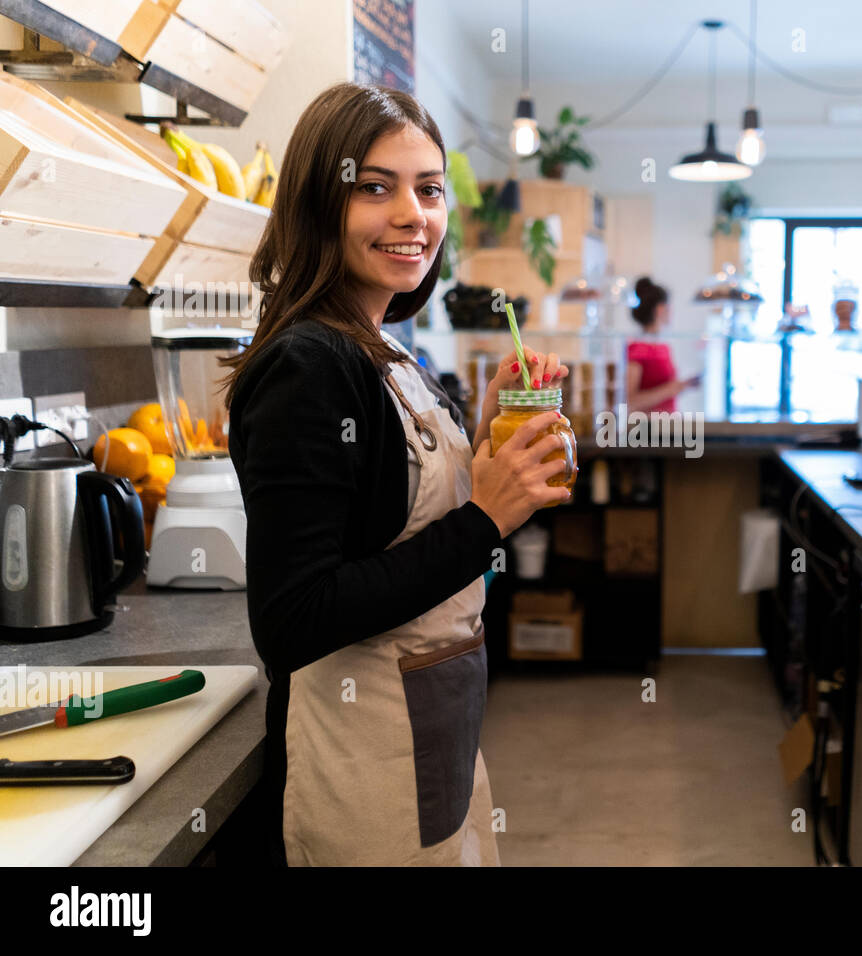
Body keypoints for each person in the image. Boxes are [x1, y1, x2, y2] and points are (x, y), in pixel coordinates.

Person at [222, 83, 571, 866]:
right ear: (320, 203)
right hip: (361, 759)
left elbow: (395, 519)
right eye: (375, 188)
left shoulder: (384, 351)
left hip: (434, 731)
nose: (414, 214)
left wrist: (486, 446)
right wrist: (485, 518)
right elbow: (294, 618)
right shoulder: (308, 365)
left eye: (430, 189)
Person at [626, 276, 700, 414]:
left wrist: (682, 386)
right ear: (660, 309)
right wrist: (672, 389)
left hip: (667, 426)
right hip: (646, 429)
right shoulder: (637, 350)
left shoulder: (662, 347)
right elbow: (629, 402)